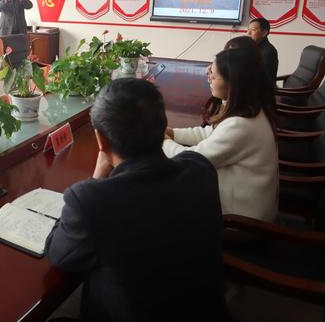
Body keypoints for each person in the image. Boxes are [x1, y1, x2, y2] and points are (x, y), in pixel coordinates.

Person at [45, 78, 227, 322]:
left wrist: (97, 177)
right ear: (163, 126)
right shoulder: (200, 169)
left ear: (101, 140)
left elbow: (59, 253)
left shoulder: (91, 201)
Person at [164, 46, 278, 222]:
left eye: (214, 75)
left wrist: (161, 140)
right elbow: (210, 133)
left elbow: (192, 162)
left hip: (240, 222)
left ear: (233, 82)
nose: (209, 78)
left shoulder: (241, 125)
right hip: (239, 204)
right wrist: (172, 133)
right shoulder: (249, 109)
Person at [247, 17, 278, 83]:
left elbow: (264, 79)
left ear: (264, 33)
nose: (248, 33)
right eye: (248, 30)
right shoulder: (252, 47)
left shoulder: (268, 52)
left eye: (253, 30)